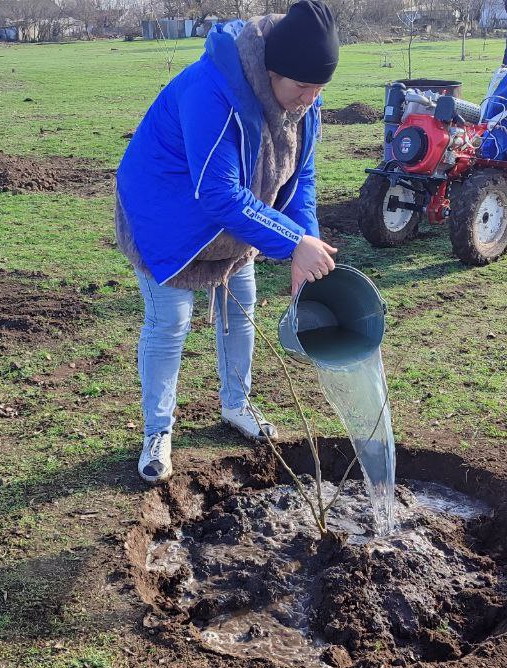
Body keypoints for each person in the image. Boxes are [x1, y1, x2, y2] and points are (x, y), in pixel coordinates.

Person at [114, 0, 341, 483]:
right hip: (167, 219)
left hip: (235, 221)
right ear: (272, 70)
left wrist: (307, 241)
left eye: (319, 89)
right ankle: (158, 431)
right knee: (170, 323)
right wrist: (291, 241)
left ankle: (237, 404)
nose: (310, 99)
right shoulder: (210, 90)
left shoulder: (303, 99)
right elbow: (217, 193)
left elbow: (301, 176)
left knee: (241, 310)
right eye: (302, 87)